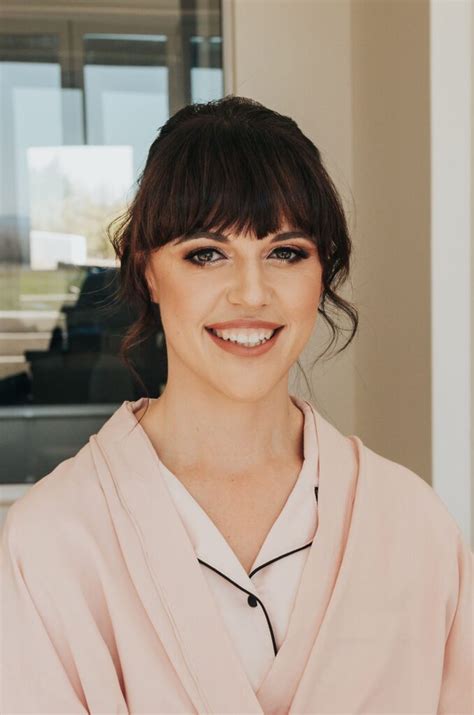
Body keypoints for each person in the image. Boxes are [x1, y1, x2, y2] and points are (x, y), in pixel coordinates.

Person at [1, 96, 472, 715]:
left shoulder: (412, 525)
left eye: (286, 252)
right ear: (148, 271)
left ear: (322, 271)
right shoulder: (52, 540)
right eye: (206, 253)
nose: (252, 293)